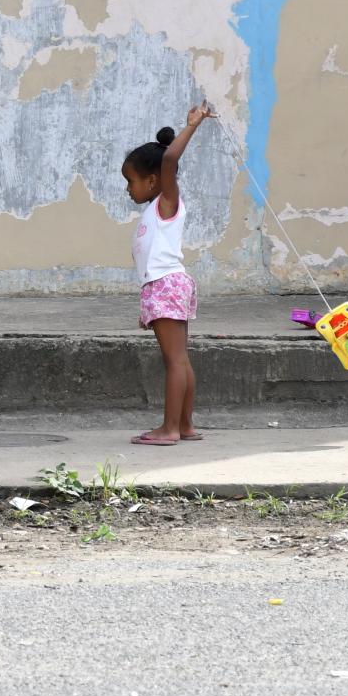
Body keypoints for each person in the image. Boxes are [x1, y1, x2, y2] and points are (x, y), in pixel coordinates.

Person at [121, 102, 216, 446]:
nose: (128, 189)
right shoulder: (154, 209)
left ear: (153, 179)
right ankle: (186, 425)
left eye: (131, 181)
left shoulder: (166, 201)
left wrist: (192, 125)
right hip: (165, 286)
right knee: (180, 360)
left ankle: (170, 429)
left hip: (167, 284)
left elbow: (170, 162)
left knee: (174, 361)